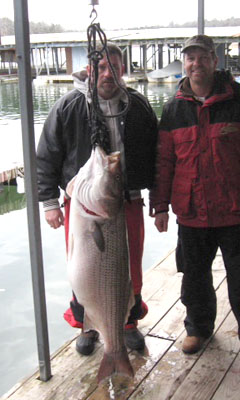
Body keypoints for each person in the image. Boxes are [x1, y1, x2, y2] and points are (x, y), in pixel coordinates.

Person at [150, 35, 240, 377]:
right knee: (193, 279)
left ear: (214, 61)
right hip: (191, 212)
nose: (195, 64)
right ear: (185, 63)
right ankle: (198, 329)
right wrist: (160, 205)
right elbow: (164, 162)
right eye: (189, 58)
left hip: (235, 210)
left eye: (202, 57)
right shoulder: (174, 108)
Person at [37, 42, 158, 355]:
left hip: (127, 199)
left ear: (122, 71)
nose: (108, 74)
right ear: (90, 71)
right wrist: (49, 202)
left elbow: (156, 155)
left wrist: (159, 200)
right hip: (82, 204)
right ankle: (87, 324)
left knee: (130, 265)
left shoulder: (138, 106)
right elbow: (47, 154)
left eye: (114, 68)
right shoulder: (67, 106)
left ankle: (127, 323)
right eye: (102, 68)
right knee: (84, 265)